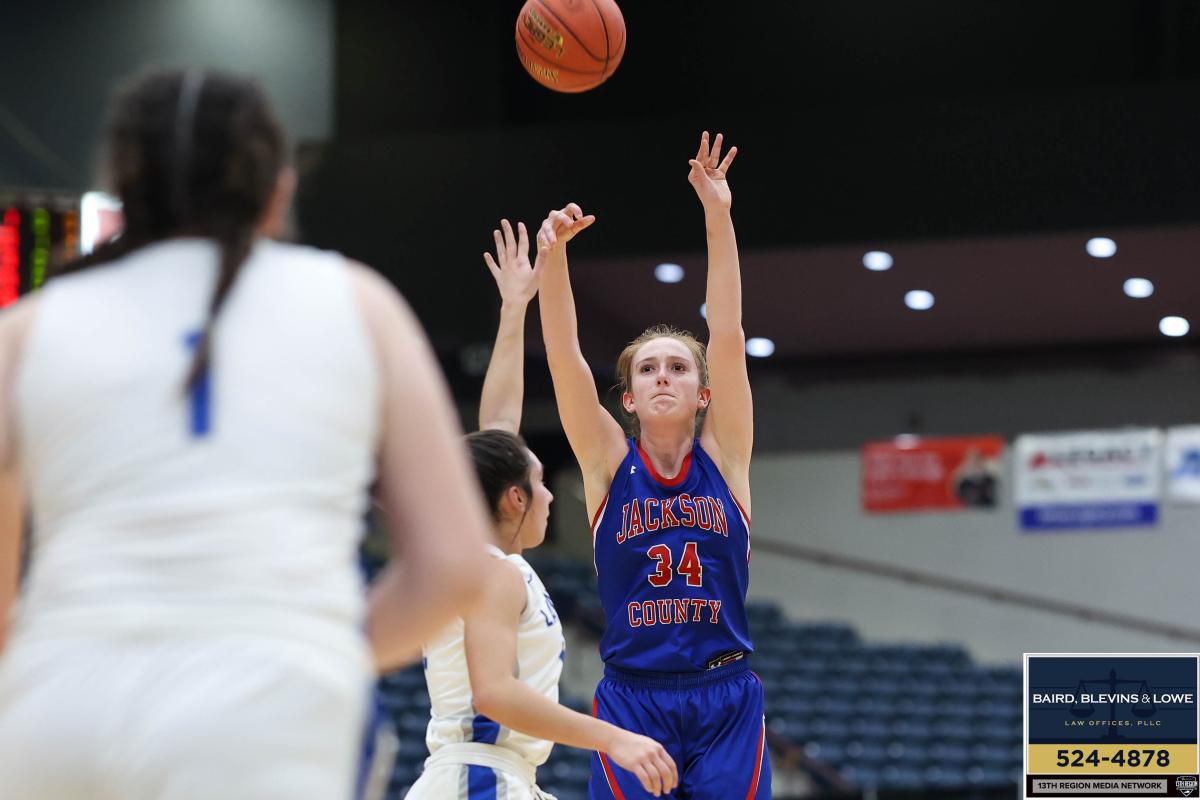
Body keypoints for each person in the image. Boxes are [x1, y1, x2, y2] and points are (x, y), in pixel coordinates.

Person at [0, 68, 491, 799]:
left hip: (63, 706)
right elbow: (453, 567)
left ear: (123, 184)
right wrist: (319, 646)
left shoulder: (28, 328)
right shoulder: (359, 304)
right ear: (279, 188)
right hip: (269, 710)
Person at [408, 219, 678, 799]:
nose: (552, 494)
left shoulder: (481, 560)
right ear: (515, 498)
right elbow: (494, 693)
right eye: (540, 482)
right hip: (478, 779)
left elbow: (497, 434)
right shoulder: (495, 573)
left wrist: (515, 310)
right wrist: (614, 738)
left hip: (495, 776)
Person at [537, 132, 771, 798]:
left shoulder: (725, 456)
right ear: (629, 398)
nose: (662, 375)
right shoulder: (608, 463)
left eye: (677, 367)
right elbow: (565, 361)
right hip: (633, 700)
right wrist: (554, 260)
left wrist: (718, 214)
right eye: (647, 369)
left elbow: (727, 334)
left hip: (725, 696)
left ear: (704, 394)